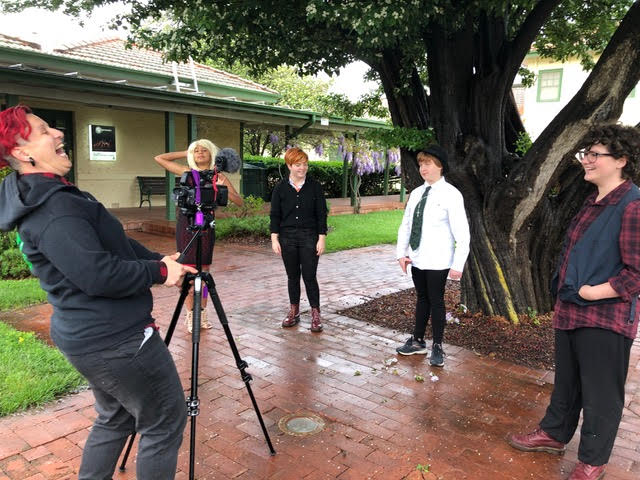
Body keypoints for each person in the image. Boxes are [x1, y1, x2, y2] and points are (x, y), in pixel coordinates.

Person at [0, 105, 196, 480]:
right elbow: (98, 274)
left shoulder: (45, 194)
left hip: (92, 337)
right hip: (114, 341)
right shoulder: (55, 209)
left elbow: (113, 244)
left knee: (117, 416)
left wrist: (160, 259)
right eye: (44, 131)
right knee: (164, 420)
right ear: (23, 153)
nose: (57, 133)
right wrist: (158, 271)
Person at [508, 124, 640, 480]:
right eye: (586, 154)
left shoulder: (633, 205)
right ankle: (553, 433)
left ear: (622, 161)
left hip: (605, 316)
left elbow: (637, 272)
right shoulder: (592, 201)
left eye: (596, 155)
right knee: (567, 381)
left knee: (601, 393)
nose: (587, 160)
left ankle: (593, 460)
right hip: (571, 311)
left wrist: (594, 292)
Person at [155, 140, 243, 333]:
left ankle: (201, 312)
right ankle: (190, 314)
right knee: (189, 271)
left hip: (206, 226)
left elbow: (239, 202)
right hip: (187, 225)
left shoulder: (218, 177)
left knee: (203, 273)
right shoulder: (187, 172)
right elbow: (159, 158)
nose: (200, 153)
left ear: (211, 154)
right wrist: (186, 150)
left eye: (204, 150)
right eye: (196, 151)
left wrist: (223, 190)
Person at [395, 145, 470, 367]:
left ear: (440, 166)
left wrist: (458, 264)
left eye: (427, 163)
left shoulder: (451, 195)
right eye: (420, 164)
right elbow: (406, 224)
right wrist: (402, 253)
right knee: (422, 298)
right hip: (418, 257)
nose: (423, 168)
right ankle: (418, 341)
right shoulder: (417, 193)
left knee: (436, 300)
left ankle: (437, 346)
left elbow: (462, 233)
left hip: (439, 258)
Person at [270, 147, 327, 332]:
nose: (302, 168)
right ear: (289, 165)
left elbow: (321, 215)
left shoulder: (315, 187)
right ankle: (294, 311)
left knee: (310, 276)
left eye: (304, 164)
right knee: (292, 276)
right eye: (297, 164)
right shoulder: (280, 188)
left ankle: (315, 313)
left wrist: (321, 238)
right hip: (287, 239)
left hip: (309, 237)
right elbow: (275, 215)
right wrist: (274, 238)